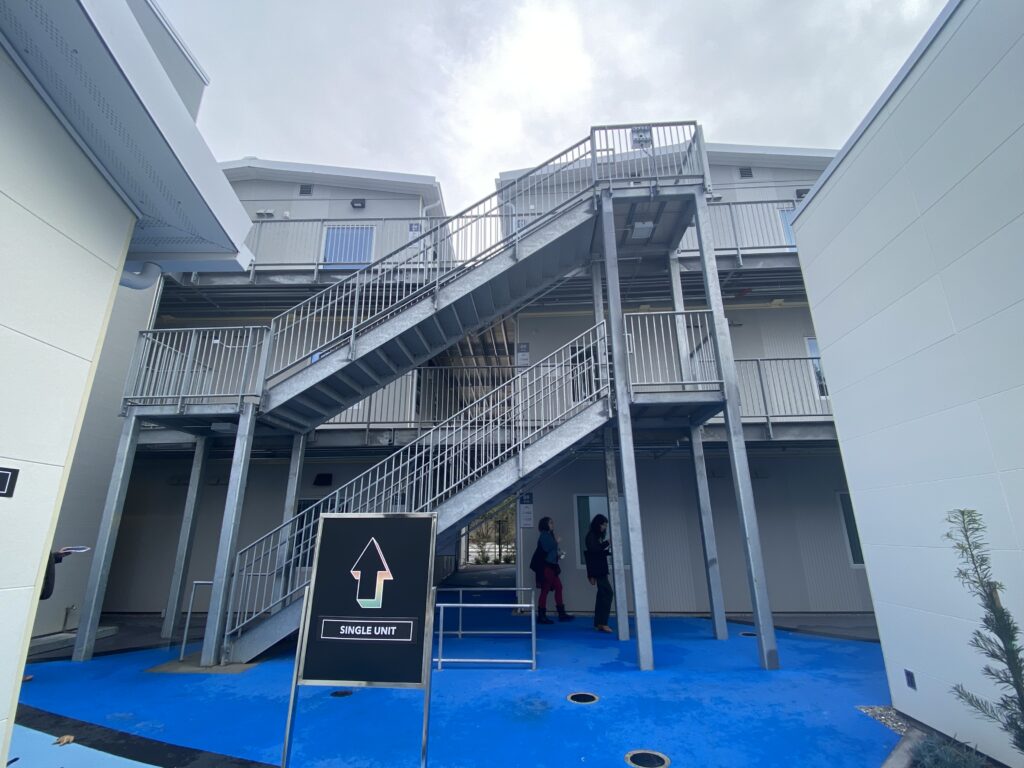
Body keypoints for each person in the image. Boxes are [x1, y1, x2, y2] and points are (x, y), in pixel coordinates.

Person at [530, 517, 573, 624]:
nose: (552, 524)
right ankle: (542, 616)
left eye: (552, 522)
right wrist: (556, 542)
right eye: (550, 523)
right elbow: (547, 548)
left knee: (558, 587)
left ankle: (561, 613)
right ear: (545, 524)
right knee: (545, 590)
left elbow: (551, 551)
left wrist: (558, 554)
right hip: (546, 567)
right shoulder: (544, 535)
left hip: (552, 566)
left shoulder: (549, 535)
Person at [584, 514, 614, 633]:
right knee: (608, 593)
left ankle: (598, 623)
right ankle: (603, 622)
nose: (605, 527)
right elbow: (595, 551)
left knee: (602, 595)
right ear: (598, 524)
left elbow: (596, 552)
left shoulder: (594, 536)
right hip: (598, 570)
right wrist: (607, 543)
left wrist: (607, 550)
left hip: (599, 569)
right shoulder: (592, 536)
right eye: (603, 525)